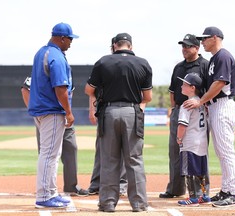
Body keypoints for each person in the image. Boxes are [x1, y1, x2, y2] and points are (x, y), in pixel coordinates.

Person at [85, 33, 152, 212]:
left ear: (115, 45)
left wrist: (93, 109)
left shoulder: (103, 62)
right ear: (130, 46)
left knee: (109, 159)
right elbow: (148, 97)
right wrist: (137, 110)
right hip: (132, 111)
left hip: (109, 112)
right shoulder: (143, 63)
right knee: (134, 160)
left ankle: (107, 203)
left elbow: (89, 89)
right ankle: (138, 203)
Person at [184, 26, 235, 207]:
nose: (202, 42)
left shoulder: (223, 56)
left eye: (204, 39)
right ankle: (226, 190)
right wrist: (207, 104)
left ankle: (233, 192)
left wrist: (201, 102)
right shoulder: (215, 58)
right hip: (216, 106)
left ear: (215, 38)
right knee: (221, 151)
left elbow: (220, 83)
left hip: (223, 105)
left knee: (226, 151)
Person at [28, 22, 79, 208]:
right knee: (49, 155)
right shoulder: (56, 56)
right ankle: (43, 196)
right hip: (52, 110)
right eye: (70, 39)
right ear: (62, 38)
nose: (71, 42)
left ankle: (51, 192)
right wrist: (69, 112)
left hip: (42, 109)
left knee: (51, 154)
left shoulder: (42, 52)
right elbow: (60, 88)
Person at [159, 34, 210, 199]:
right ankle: (175, 188)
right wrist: (174, 108)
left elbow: (210, 90)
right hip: (180, 110)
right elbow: (173, 91)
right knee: (175, 151)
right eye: (183, 46)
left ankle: (202, 191)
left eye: (188, 46)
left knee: (199, 151)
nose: (184, 49)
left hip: (198, 111)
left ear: (197, 48)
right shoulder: (178, 67)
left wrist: (202, 104)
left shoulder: (205, 65)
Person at [21, 77, 89, 197]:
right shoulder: (41, 72)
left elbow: (69, 94)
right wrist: (33, 110)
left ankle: (71, 186)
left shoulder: (67, 73)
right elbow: (25, 89)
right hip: (48, 116)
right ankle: (46, 188)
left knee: (71, 148)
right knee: (47, 153)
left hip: (63, 116)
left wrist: (68, 112)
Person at [87, 37, 128, 196]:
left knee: (123, 149)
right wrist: (92, 110)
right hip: (105, 110)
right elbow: (92, 90)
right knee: (102, 149)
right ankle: (96, 184)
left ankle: (121, 185)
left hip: (120, 110)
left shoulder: (132, 64)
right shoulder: (104, 64)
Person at [176, 73, 211, 206]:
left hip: (190, 142)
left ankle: (193, 197)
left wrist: (179, 138)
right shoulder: (200, 102)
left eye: (184, 84)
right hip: (202, 142)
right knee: (201, 171)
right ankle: (204, 195)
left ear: (192, 87)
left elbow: (182, 125)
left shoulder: (187, 104)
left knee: (189, 172)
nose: (181, 86)